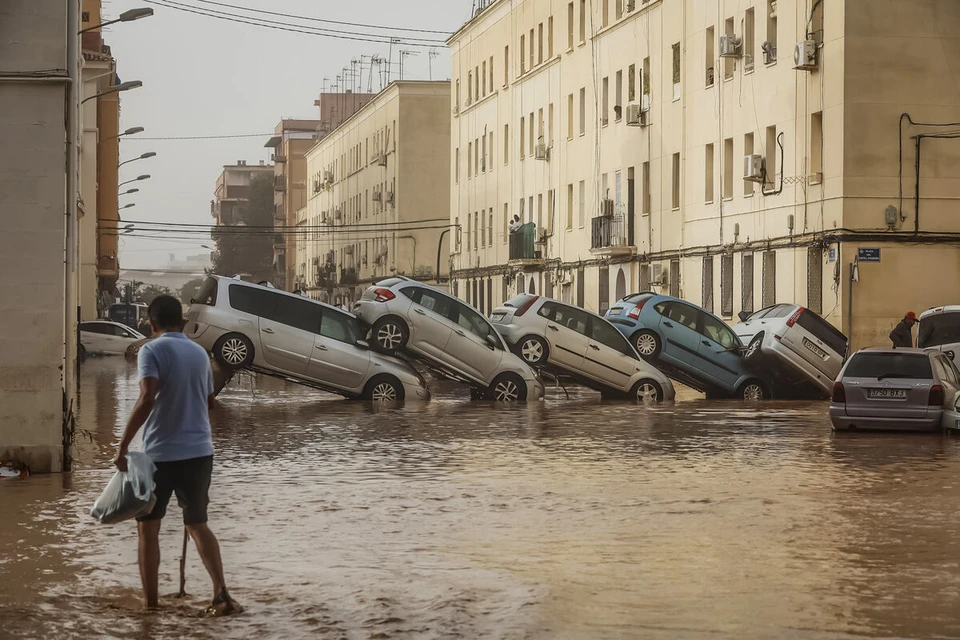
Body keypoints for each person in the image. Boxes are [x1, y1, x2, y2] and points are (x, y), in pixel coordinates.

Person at [114, 295, 239, 615]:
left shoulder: (151, 350)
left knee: (148, 528)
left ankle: (151, 608)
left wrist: (123, 444)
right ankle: (221, 593)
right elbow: (210, 402)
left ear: (151, 324)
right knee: (198, 523)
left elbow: (146, 399)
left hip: (161, 454)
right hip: (200, 453)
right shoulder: (199, 353)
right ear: (182, 322)